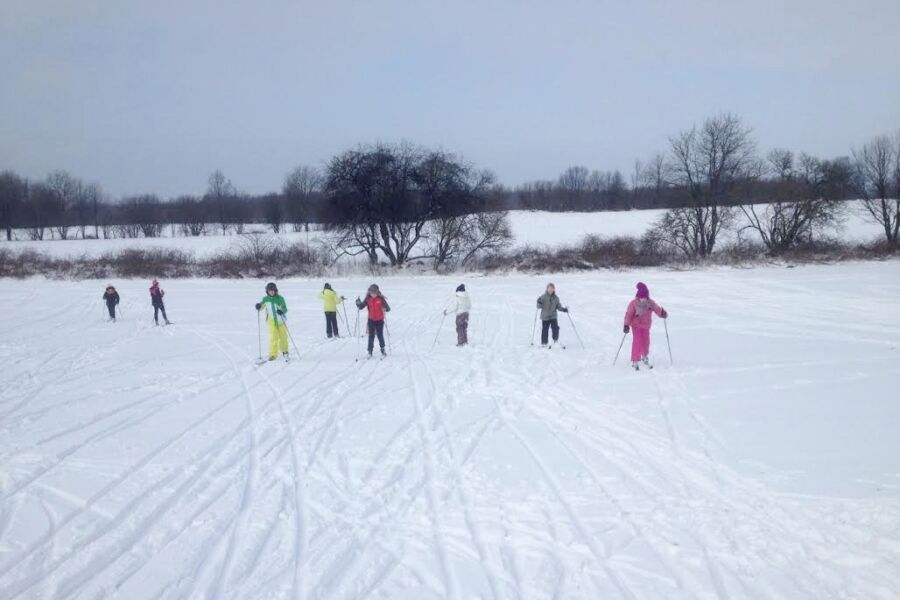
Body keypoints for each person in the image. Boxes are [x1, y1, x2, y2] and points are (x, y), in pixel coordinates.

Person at [623, 281, 667, 370]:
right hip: (636, 325)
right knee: (637, 341)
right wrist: (626, 325)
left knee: (646, 342)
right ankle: (635, 359)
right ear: (638, 296)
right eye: (641, 297)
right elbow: (628, 314)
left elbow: (657, 309)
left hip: (646, 326)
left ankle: (644, 356)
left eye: (645, 297)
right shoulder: (633, 303)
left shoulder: (650, 302)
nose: (643, 299)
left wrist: (662, 313)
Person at [255, 282, 289, 361]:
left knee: (283, 337)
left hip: (281, 321)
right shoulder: (265, 299)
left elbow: (285, 308)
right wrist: (258, 306)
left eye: (273, 290)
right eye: (270, 291)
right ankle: (273, 354)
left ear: (275, 290)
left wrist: (281, 311)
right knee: (273, 338)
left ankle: (285, 351)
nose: (271, 292)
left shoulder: (280, 298)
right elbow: (261, 306)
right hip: (272, 322)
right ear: (267, 291)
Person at [355, 284, 390, 358]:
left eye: (374, 293)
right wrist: (358, 303)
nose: (373, 294)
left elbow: (388, 308)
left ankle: (382, 349)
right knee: (371, 336)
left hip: (380, 320)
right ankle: (370, 351)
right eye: (372, 293)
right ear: (369, 292)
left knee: (380, 335)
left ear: (377, 292)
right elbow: (361, 307)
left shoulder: (381, 299)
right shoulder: (368, 299)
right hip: (371, 320)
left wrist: (385, 308)